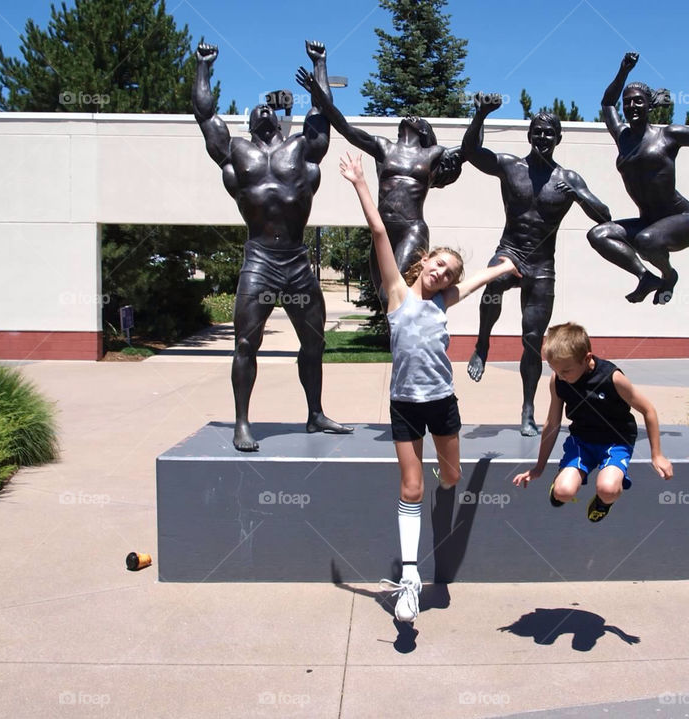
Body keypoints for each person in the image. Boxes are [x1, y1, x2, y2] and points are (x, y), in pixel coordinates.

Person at [339, 151, 520, 623]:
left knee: (452, 478)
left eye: (448, 273)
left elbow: (477, 281)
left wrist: (504, 268)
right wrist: (361, 182)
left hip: (442, 403)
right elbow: (380, 232)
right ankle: (410, 578)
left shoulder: (445, 300)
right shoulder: (398, 292)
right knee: (412, 488)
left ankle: (452, 474)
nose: (441, 273)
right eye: (438, 264)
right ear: (423, 261)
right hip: (404, 406)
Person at [192, 40, 352, 451]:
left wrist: (321, 64)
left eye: (269, 108)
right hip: (259, 260)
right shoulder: (235, 153)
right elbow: (205, 114)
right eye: (256, 108)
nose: (264, 109)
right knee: (246, 343)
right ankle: (242, 422)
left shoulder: (301, 149)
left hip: (297, 261)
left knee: (315, 341)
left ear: (279, 122)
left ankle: (315, 414)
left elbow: (322, 112)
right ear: (248, 122)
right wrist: (204, 68)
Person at [461, 93, 612, 436]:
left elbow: (604, 216)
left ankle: (528, 409)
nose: (543, 137)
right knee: (493, 282)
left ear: (558, 139)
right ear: (530, 135)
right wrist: (480, 116)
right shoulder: (511, 166)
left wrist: (578, 193)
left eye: (549, 133)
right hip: (510, 251)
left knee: (532, 340)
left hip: (542, 266)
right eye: (538, 131)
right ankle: (483, 342)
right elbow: (471, 153)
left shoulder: (568, 178)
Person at [295, 67, 461, 303]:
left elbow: (469, 150)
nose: (412, 116)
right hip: (381, 231)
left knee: (391, 293)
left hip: (411, 229)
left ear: (425, 131)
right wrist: (318, 89)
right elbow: (345, 127)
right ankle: (401, 339)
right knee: (385, 301)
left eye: (419, 119)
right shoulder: (384, 147)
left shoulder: (432, 154)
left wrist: (481, 116)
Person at [588, 52, 689, 305]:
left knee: (646, 241)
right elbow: (607, 103)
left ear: (649, 105)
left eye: (638, 102)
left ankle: (668, 276)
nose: (631, 106)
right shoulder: (622, 137)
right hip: (649, 222)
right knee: (598, 235)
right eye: (628, 103)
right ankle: (646, 277)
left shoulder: (668, 135)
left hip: (681, 220)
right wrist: (624, 71)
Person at [512, 322, 673, 522]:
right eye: (555, 370)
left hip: (616, 441)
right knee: (564, 491)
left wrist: (657, 455)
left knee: (608, 488)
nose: (561, 376)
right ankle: (561, 483)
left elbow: (648, 410)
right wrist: (539, 467)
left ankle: (603, 502)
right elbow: (552, 423)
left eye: (566, 371)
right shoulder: (559, 380)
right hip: (582, 441)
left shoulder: (612, 378)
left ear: (587, 357)